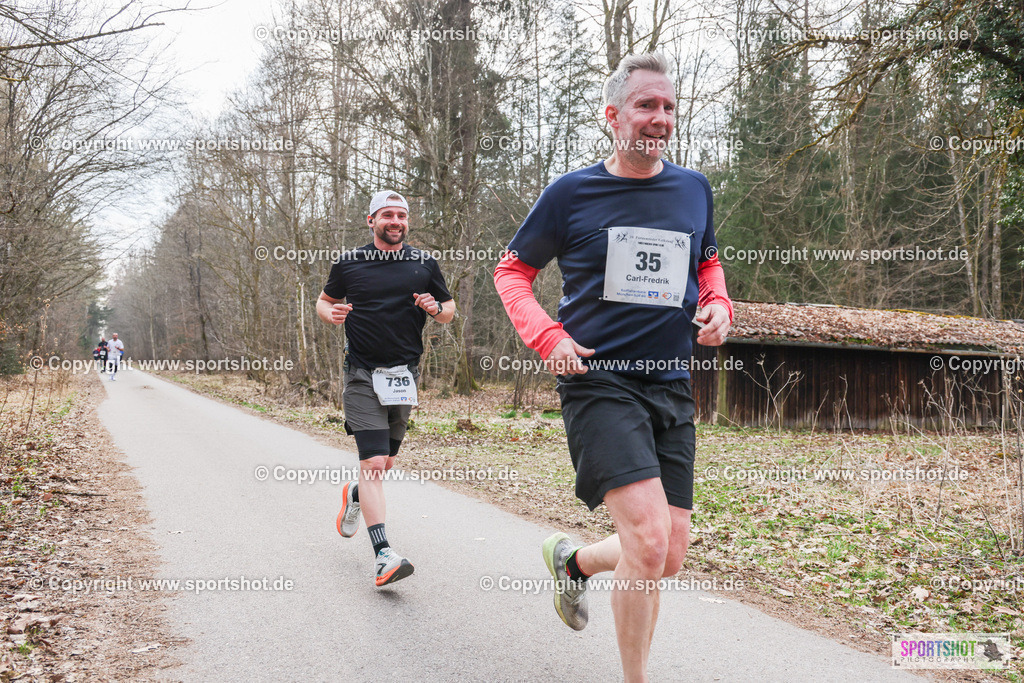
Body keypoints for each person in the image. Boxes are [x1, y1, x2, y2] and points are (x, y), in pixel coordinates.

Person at [493, 53, 733, 682]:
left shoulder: (693, 188)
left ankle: (574, 564)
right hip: (598, 380)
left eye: (669, 107)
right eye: (645, 105)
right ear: (613, 116)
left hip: (671, 382)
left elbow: (707, 260)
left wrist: (718, 303)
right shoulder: (571, 194)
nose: (660, 118)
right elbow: (512, 272)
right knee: (648, 543)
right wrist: (548, 337)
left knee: (667, 554)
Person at [316, 190, 456, 587]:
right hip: (361, 373)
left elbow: (448, 311)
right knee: (374, 463)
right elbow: (324, 302)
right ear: (371, 220)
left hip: (403, 377)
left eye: (401, 216)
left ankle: (355, 495)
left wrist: (435, 308)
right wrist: (332, 314)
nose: (395, 221)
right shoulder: (349, 263)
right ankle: (383, 555)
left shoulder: (424, 263)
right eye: (387, 215)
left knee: (386, 462)